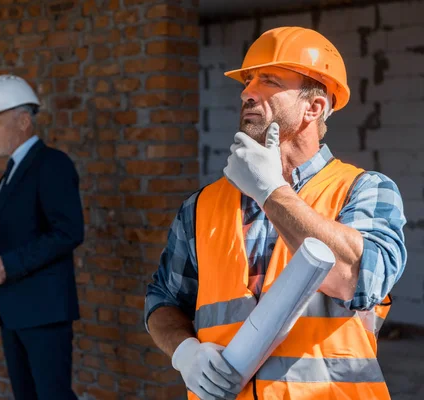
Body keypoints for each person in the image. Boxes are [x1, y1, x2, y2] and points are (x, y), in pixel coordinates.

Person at [144, 26, 407, 400]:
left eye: (267, 80)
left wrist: (270, 192)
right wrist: (185, 352)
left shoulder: (365, 190)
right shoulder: (201, 206)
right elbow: (163, 300)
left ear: (313, 107)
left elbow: (358, 278)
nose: (247, 92)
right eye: (248, 81)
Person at [0, 74, 84, 400]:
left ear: (24, 121)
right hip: (14, 311)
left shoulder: (52, 164)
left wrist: (8, 264)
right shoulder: (9, 174)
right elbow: (12, 240)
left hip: (43, 312)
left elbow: (69, 232)